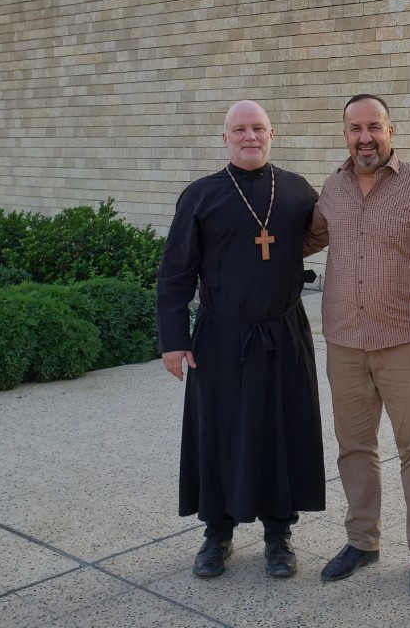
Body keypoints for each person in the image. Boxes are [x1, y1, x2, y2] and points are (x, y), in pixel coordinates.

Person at [156, 100, 325, 580]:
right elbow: (175, 273)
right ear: (224, 137)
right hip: (221, 335)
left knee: (281, 429)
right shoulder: (200, 196)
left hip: (284, 331)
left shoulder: (295, 191)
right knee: (218, 430)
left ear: (272, 134)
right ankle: (217, 533)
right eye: (239, 129)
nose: (250, 136)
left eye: (258, 128)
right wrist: (173, 339)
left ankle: (279, 535)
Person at [304, 94, 410, 597]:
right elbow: (308, 237)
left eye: (374, 127)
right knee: (354, 448)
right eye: (354, 128)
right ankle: (363, 541)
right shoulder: (333, 187)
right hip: (344, 341)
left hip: (405, 343)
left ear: (391, 130)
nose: (364, 137)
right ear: (345, 134)